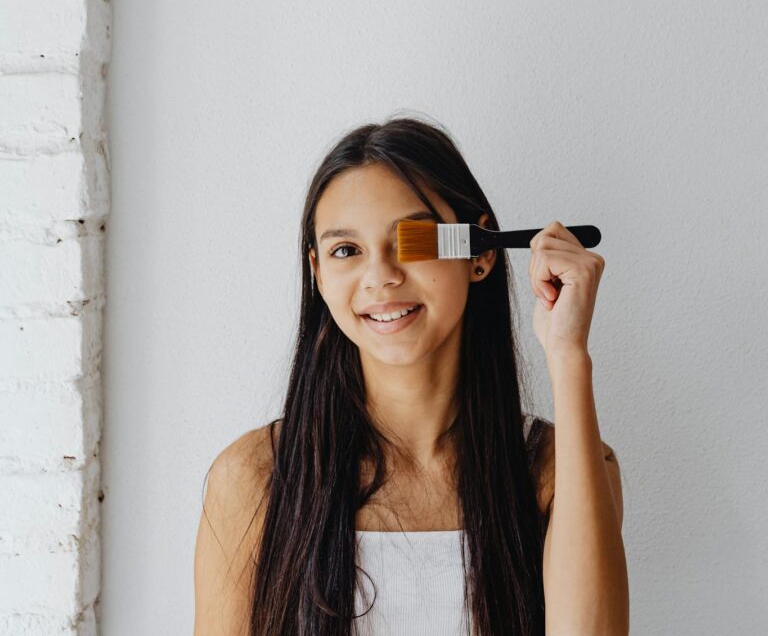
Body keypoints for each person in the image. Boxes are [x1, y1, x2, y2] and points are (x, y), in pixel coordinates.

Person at [193, 116, 628, 635]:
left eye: (411, 239)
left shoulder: (562, 467)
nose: (380, 276)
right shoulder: (253, 477)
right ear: (318, 273)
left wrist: (568, 353)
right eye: (346, 251)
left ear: (481, 253)